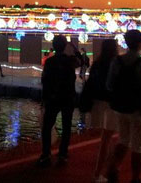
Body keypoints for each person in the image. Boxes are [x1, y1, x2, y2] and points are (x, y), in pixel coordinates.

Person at [105, 29, 141, 183]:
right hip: (137, 109)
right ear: (140, 43)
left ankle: (113, 168)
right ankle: (135, 177)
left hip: (119, 107)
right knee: (138, 146)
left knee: (123, 140)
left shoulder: (116, 61)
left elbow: (109, 85)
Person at [38, 35, 81, 167]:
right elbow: (81, 61)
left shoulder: (50, 62)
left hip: (53, 98)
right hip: (67, 97)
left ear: (54, 46)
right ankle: (63, 154)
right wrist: (74, 47)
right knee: (66, 126)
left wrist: (45, 98)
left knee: (47, 127)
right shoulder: (70, 61)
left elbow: (45, 81)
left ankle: (46, 153)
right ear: (64, 46)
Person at [86, 39, 119, 182]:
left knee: (106, 138)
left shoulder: (97, 63)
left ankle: (106, 171)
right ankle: (102, 172)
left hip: (98, 103)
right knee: (108, 139)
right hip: (111, 103)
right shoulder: (116, 63)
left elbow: (91, 82)